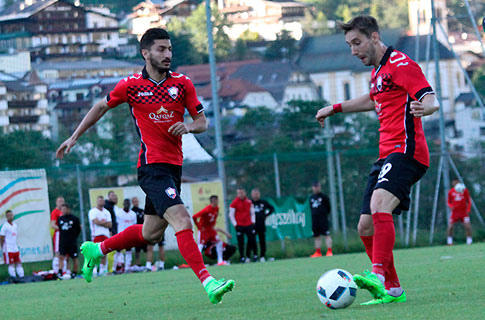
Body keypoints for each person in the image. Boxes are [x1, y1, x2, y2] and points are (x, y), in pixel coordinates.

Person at [56, 28, 234, 304]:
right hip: (152, 167)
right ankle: (208, 282)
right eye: (161, 49)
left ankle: (97, 250)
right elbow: (100, 107)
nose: (167, 54)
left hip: (174, 168)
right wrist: (74, 137)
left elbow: (203, 122)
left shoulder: (183, 84)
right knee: (182, 220)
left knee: (150, 233)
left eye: (170, 49)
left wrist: (188, 126)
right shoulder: (130, 86)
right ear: (145, 53)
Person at [316, 16, 439, 305]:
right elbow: (373, 100)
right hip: (386, 155)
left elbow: (429, 96)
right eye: (349, 45)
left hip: (407, 152)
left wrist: (430, 107)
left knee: (379, 204)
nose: (353, 51)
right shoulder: (379, 72)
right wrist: (334, 108)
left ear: (374, 38)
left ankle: (378, 276)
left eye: (356, 43)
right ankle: (393, 290)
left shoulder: (401, 64)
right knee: (365, 227)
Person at [193, 195, 233, 265]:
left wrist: (212, 225)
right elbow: (194, 217)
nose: (218, 201)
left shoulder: (217, 208)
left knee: (219, 242)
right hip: (204, 230)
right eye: (217, 200)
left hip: (211, 230)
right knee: (201, 245)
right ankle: (196, 263)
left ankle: (220, 261)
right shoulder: (207, 209)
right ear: (213, 201)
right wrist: (199, 226)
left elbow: (214, 218)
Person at [229, 188, 257, 263]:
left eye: (242, 193)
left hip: (248, 224)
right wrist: (235, 224)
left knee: (251, 240)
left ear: (245, 193)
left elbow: (252, 212)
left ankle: (250, 256)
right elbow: (231, 215)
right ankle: (242, 257)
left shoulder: (249, 202)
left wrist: (253, 221)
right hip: (239, 225)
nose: (241, 195)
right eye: (239, 193)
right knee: (240, 242)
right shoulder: (234, 202)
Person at [88, 196, 112, 275]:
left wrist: (101, 223)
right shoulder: (93, 211)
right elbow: (95, 222)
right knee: (95, 253)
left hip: (105, 235)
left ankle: (102, 269)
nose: (101, 202)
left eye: (102, 201)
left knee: (104, 252)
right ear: (97, 202)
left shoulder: (106, 212)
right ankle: (94, 269)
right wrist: (104, 223)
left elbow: (110, 224)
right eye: (99, 200)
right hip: (96, 234)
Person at [309, 182, 333, 258]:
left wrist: (324, 214)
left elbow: (329, 207)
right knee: (316, 236)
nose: (316, 188)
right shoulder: (311, 198)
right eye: (314, 186)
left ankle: (329, 251)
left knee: (326, 234)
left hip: (323, 219)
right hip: (315, 219)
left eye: (317, 186)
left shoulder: (324, 197)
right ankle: (318, 252)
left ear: (320, 187)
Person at [57, 203, 81, 279]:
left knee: (74, 258)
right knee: (61, 257)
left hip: (72, 242)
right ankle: (60, 272)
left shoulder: (74, 219)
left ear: (68, 209)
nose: (63, 211)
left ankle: (74, 272)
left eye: (64, 209)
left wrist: (73, 237)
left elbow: (78, 229)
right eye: (62, 209)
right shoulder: (60, 219)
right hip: (63, 242)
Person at [250, 188, 274, 262]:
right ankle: (255, 255)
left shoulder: (263, 202)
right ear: (252, 195)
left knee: (262, 241)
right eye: (254, 194)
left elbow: (272, 208)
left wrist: (266, 215)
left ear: (259, 194)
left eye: (257, 194)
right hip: (252, 225)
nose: (255, 196)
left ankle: (262, 256)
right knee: (252, 241)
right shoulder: (249, 203)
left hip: (261, 225)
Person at [114, 199, 137, 273]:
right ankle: (114, 268)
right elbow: (116, 224)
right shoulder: (119, 213)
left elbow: (134, 225)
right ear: (123, 204)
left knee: (129, 250)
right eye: (125, 203)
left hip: (129, 235)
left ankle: (127, 267)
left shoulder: (133, 214)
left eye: (128, 203)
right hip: (121, 235)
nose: (127, 205)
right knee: (118, 251)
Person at [447, 180, 472, 245]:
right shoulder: (451, 191)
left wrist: (468, 209)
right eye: (454, 182)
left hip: (463, 212)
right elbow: (448, 202)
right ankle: (449, 241)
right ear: (453, 183)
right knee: (450, 227)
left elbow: (469, 200)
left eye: (456, 182)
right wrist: (451, 206)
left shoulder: (464, 190)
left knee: (467, 226)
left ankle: (469, 241)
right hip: (454, 212)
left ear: (458, 182)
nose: (455, 183)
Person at [0, 210, 24, 278]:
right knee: (11, 264)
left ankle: (22, 276)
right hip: (8, 248)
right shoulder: (5, 226)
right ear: (6, 217)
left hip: (15, 247)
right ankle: (13, 278)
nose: (10, 216)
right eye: (9, 215)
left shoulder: (15, 225)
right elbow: (1, 237)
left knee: (19, 262)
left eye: (11, 215)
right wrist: (2, 246)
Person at [131, 196, 148, 269]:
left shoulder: (142, 211)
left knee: (146, 248)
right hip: (135, 232)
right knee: (137, 249)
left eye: (136, 201)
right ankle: (138, 263)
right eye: (134, 201)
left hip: (143, 231)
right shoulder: (131, 211)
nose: (136, 202)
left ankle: (148, 263)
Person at [50, 196, 65, 272]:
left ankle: (65, 271)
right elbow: (53, 224)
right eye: (59, 201)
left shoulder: (64, 212)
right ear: (56, 203)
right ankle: (56, 271)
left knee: (64, 253)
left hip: (65, 235)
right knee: (58, 253)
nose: (61, 203)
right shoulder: (55, 212)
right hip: (58, 235)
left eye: (62, 201)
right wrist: (61, 228)